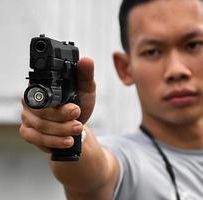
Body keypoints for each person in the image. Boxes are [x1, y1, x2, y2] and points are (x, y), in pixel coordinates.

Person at [20, 0, 203, 199]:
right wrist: (69, 131)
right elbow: (92, 175)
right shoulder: (126, 163)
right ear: (124, 68)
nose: (176, 70)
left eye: (193, 45)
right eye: (152, 52)